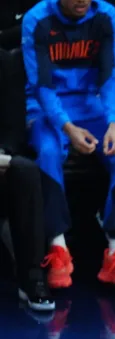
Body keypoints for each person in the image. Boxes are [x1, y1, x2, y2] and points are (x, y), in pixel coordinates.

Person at [23, 0, 115, 290]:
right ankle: (57, 249)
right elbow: (41, 84)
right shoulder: (36, 19)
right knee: (49, 152)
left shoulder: (105, 14)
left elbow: (112, 74)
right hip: (45, 107)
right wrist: (67, 127)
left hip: (93, 106)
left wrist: (114, 120)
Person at [0, 41, 53, 312]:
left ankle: (31, 277)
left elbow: (13, 129)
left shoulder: (5, 63)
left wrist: (4, 152)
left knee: (25, 171)